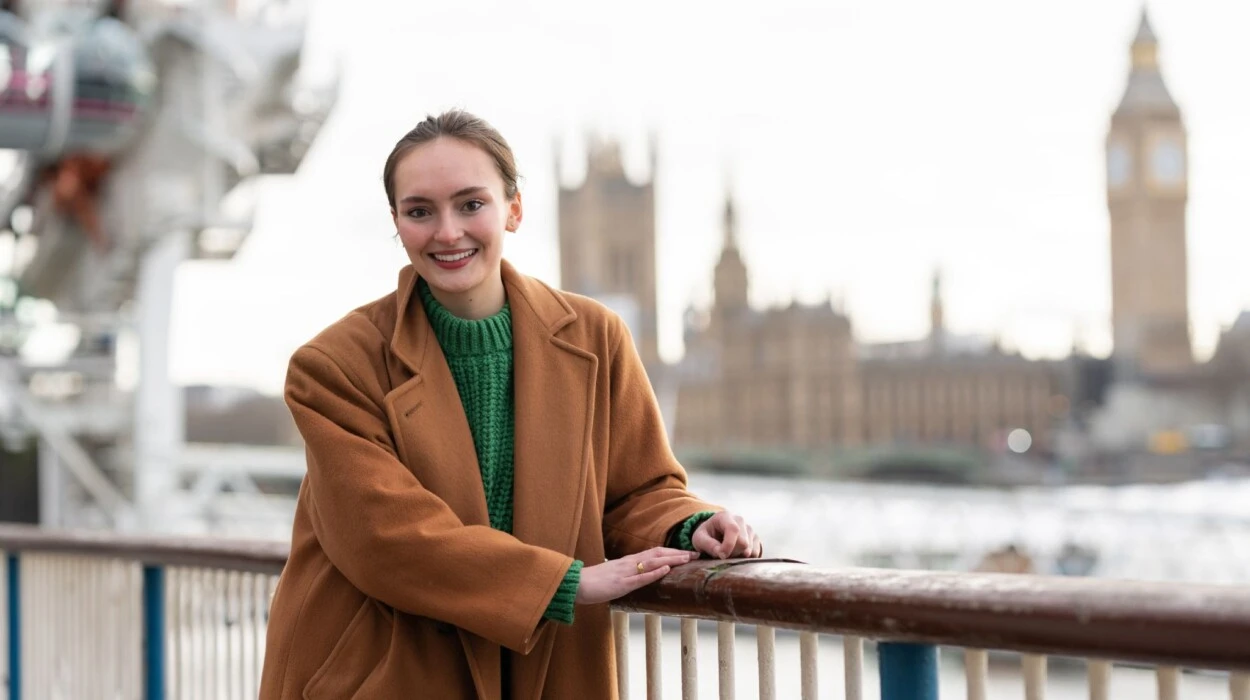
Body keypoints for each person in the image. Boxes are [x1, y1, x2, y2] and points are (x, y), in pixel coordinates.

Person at [259, 109, 763, 700]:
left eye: (471, 205)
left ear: (514, 210)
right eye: (420, 211)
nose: (448, 232)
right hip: (388, 671)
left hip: (548, 668)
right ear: (397, 222)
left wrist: (692, 525)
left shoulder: (596, 337)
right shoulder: (333, 366)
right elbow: (383, 537)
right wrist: (562, 584)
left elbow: (635, 489)